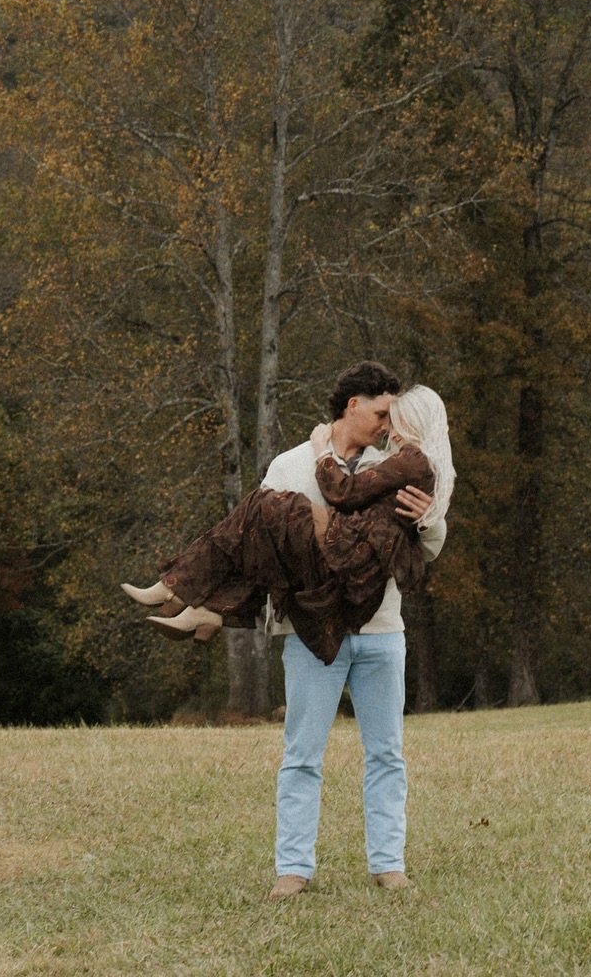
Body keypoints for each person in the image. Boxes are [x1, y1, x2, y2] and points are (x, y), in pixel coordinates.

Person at [121, 361, 451, 896]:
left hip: (379, 627)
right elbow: (255, 550)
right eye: (381, 412)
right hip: (308, 628)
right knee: (301, 756)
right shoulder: (291, 464)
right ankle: (293, 870)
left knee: (386, 754)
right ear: (353, 405)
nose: (388, 424)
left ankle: (389, 865)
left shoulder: (395, 462)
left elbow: (426, 550)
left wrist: (430, 520)